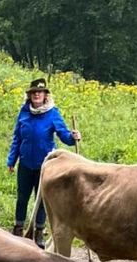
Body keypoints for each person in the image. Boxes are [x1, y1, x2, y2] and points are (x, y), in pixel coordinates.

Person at [7, 78, 81, 247]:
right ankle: (18, 229)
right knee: (22, 198)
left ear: (46, 95)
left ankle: (39, 232)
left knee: (41, 200)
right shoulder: (24, 112)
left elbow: (63, 134)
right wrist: (12, 160)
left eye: (40, 92)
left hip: (45, 166)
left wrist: (72, 137)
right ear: (30, 95)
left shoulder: (53, 113)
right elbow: (17, 138)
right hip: (25, 164)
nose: (36, 95)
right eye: (33, 92)